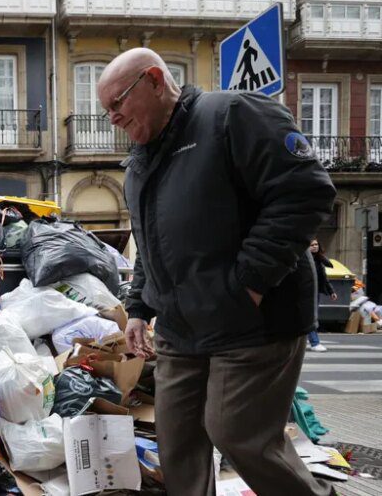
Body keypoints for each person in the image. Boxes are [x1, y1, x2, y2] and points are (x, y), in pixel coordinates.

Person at [96, 48, 336, 496]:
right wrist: (136, 309)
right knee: (177, 441)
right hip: (181, 329)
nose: (112, 117)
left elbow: (304, 193)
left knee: (238, 434)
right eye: (106, 109)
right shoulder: (141, 163)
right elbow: (149, 243)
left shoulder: (232, 116)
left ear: (154, 79)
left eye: (117, 103)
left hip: (253, 323)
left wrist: (248, 285)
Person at [308, 239, 337, 352]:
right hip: (306, 293)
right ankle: (315, 342)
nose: (315, 247)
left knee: (310, 317)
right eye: (312, 245)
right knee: (311, 317)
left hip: (315, 292)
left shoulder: (319, 260)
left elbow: (323, 278)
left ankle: (306, 341)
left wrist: (331, 291)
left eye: (316, 244)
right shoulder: (304, 260)